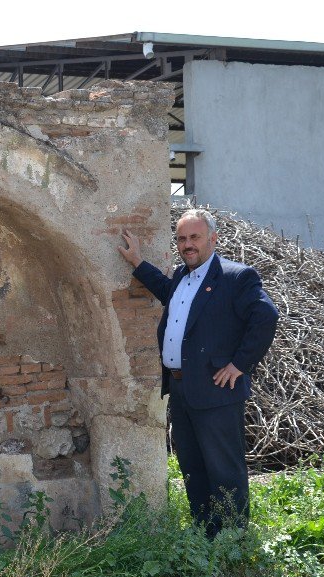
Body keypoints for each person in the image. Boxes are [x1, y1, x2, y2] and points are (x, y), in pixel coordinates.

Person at [118, 209, 278, 537]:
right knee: (192, 466)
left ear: (212, 239)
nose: (187, 244)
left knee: (224, 469)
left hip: (217, 390)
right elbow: (168, 292)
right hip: (181, 390)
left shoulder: (236, 277)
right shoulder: (180, 276)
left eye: (194, 237)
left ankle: (233, 538)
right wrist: (138, 263)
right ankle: (205, 532)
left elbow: (267, 317)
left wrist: (239, 365)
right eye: (181, 238)